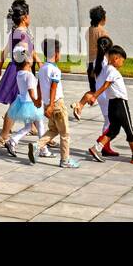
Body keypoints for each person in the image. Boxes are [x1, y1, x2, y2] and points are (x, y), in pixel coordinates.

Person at [84, 44, 133, 165]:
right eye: (122, 61)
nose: (122, 64)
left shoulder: (107, 69)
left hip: (112, 104)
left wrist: (95, 96)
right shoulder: (112, 71)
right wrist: (94, 96)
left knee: (113, 130)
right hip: (120, 103)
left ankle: (96, 148)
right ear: (116, 58)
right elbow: (105, 86)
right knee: (129, 129)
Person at [0, 0, 35, 145]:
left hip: (16, 69)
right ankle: (4, 136)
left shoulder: (16, 32)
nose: (30, 18)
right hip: (20, 70)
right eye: (28, 15)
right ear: (24, 18)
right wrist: (28, 62)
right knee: (17, 103)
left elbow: (5, 52)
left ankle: (35, 128)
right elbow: (23, 50)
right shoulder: (23, 34)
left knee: (27, 100)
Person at [36, 38, 78, 168]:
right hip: (57, 104)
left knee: (53, 129)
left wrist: (40, 101)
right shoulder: (55, 70)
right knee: (65, 133)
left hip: (47, 103)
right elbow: (53, 88)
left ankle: (36, 145)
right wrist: (52, 105)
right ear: (56, 53)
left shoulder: (42, 68)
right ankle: (65, 160)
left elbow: (38, 86)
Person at [4, 46, 44, 162]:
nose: (33, 59)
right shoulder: (29, 75)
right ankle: (43, 148)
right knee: (40, 124)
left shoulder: (19, 73)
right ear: (27, 61)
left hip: (22, 103)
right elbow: (32, 91)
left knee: (28, 127)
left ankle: (13, 141)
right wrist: (37, 101)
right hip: (31, 103)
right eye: (31, 58)